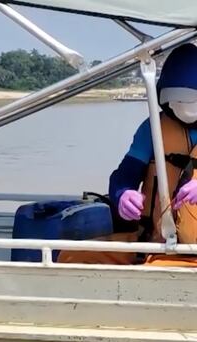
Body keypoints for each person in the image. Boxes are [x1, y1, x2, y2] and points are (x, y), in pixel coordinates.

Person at [58, 43, 197, 265]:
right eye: (177, 99)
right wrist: (123, 194)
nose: (186, 107)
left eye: (193, 100)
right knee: (72, 256)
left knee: (157, 273)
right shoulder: (153, 129)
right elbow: (124, 175)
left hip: (191, 250)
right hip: (155, 241)